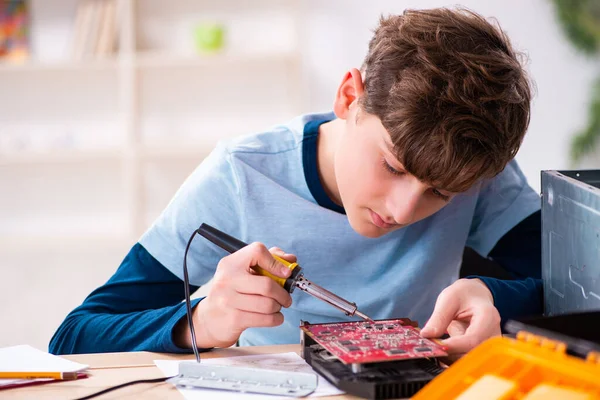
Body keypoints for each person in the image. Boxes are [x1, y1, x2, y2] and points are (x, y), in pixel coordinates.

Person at [50, 7, 542, 358]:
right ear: (350, 97)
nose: (404, 209)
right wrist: (199, 323)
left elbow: (582, 290)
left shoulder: (473, 169)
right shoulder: (241, 176)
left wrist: (499, 302)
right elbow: (75, 336)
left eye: (440, 193)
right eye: (393, 167)